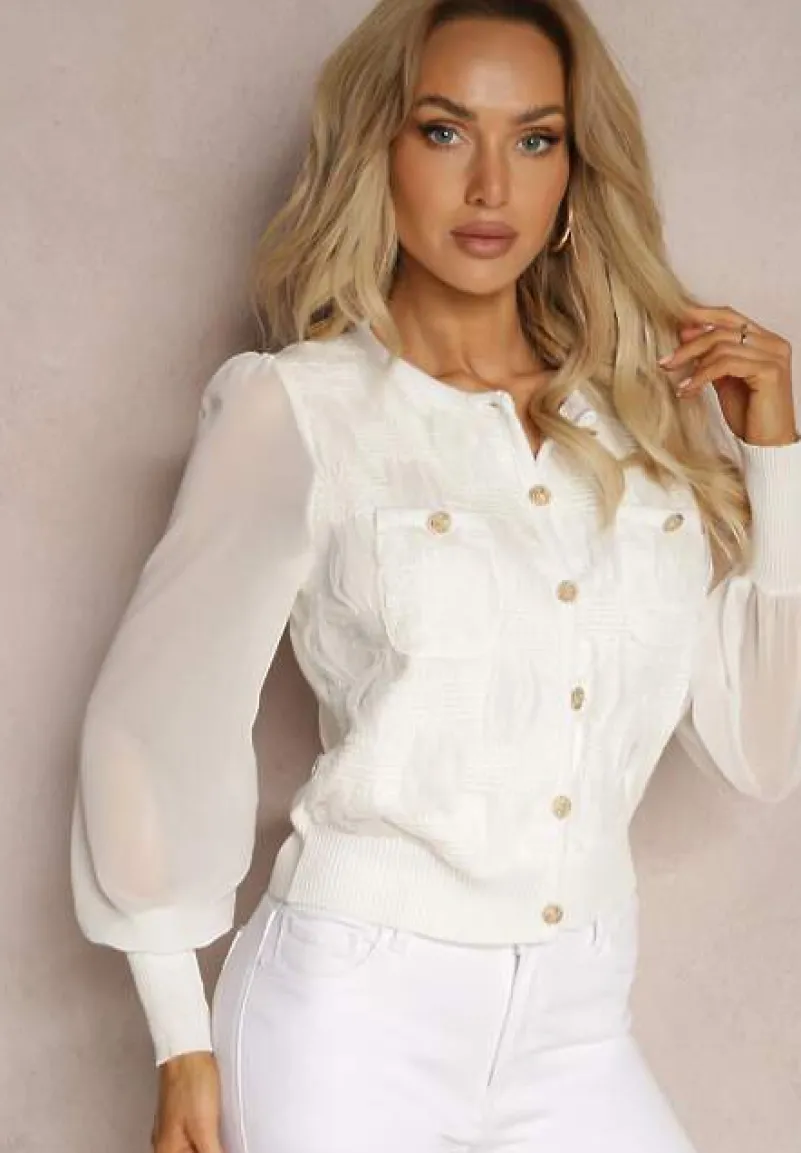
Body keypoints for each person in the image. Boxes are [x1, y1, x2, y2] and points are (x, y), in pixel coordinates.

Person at [70, 1, 801, 1151]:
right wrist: (180, 1036)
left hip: (580, 1020)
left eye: (536, 138)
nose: (491, 186)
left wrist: (775, 462)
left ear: (575, 174)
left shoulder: (642, 423)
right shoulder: (297, 408)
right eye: (447, 131)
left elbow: (760, 752)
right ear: (382, 152)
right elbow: (156, 719)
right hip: (352, 1016)